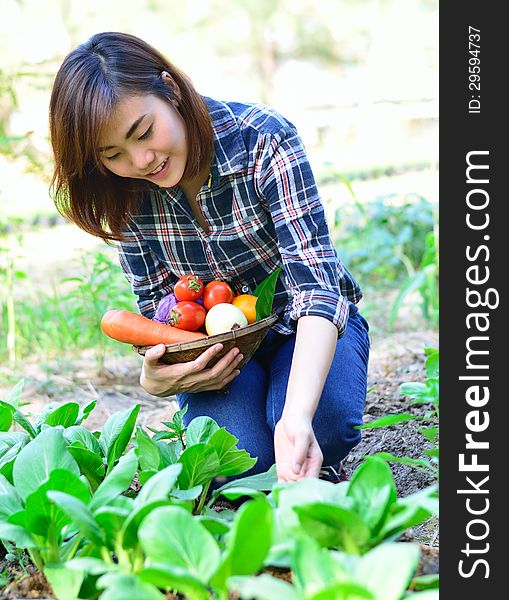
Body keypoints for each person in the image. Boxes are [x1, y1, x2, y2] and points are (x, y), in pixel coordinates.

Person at [49, 31, 370, 484]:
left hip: (304, 328)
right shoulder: (122, 192)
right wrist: (154, 380)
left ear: (171, 90)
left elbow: (317, 289)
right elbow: (159, 313)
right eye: (113, 154)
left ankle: (298, 418)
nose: (141, 160)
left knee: (315, 427)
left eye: (143, 132)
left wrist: (295, 415)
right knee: (237, 466)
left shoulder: (263, 140)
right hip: (218, 355)